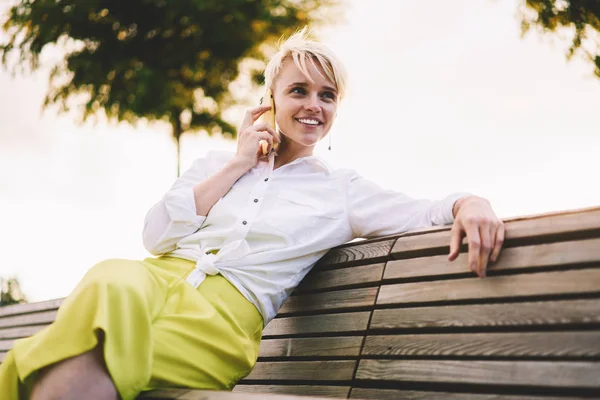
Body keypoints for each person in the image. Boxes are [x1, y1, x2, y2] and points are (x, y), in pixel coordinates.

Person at [0, 28, 504, 400]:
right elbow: (156, 237)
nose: (314, 106)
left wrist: (470, 202)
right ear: (271, 101)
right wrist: (239, 164)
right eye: (299, 91)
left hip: (223, 321)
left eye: (327, 96)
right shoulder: (215, 164)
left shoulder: (341, 190)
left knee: (84, 356)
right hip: (152, 283)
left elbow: (423, 211)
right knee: (112, 278)